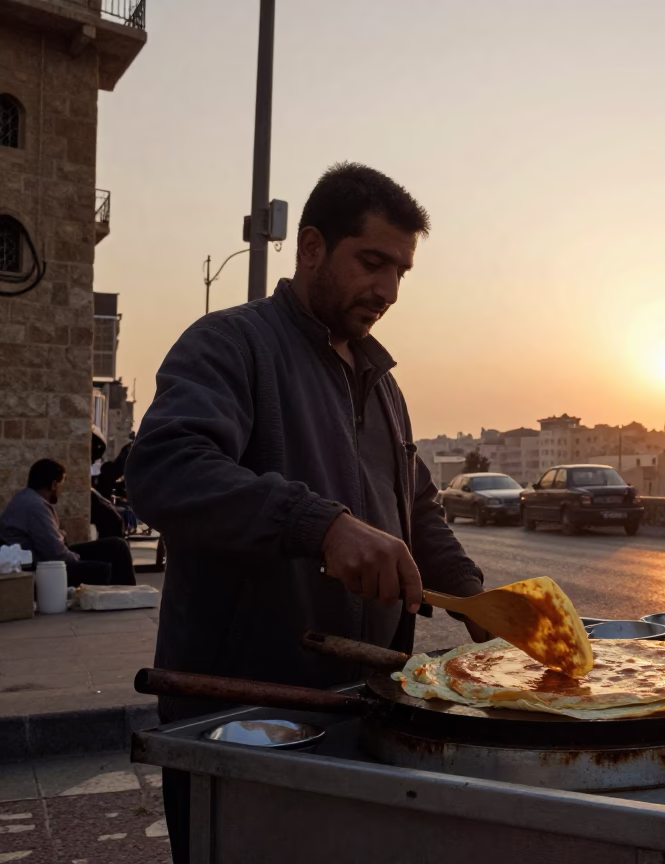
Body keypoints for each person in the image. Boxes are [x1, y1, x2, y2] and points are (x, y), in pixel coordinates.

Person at [125, 163, 488, 864]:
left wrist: (482, 600)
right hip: (245, 724)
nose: (385, 290)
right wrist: (317, 523)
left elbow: (415, 508)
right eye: (372, 262)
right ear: (313, 248)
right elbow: (165, 468)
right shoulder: (230, 344)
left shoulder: (384, 387)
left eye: (401, 273)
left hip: (362, 712)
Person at [0, 459, 137, 586]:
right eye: (61, 485)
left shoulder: (29, 499)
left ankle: (130, 592)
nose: (61, 490)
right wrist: (79, 559)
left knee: (117, 546)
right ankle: (124, 595)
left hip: (48, 557)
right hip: (44, 566)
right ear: (54, 485)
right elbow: (55, 553)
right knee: (102, 568)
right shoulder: (35, 506)